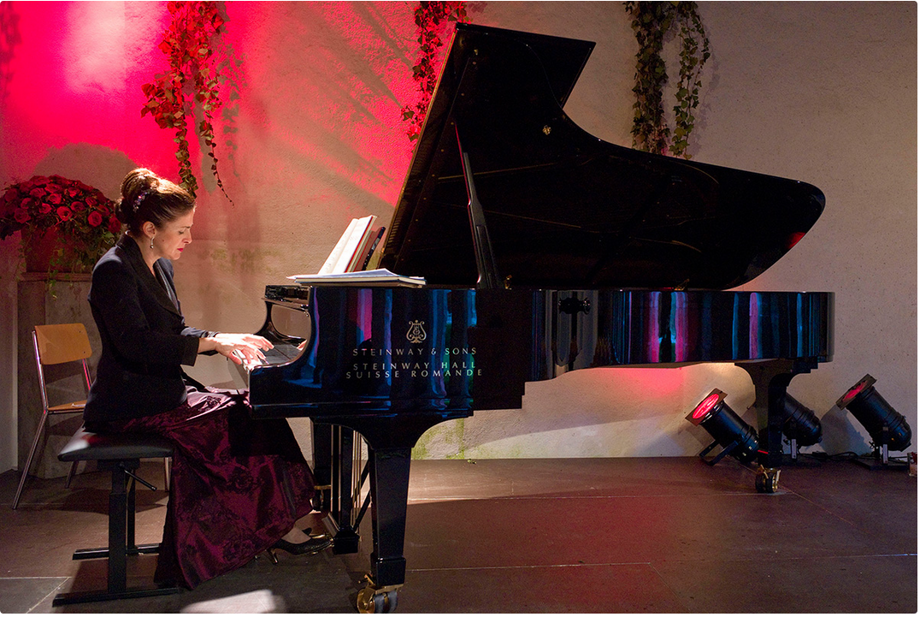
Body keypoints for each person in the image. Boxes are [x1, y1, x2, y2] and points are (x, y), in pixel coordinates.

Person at [83, 168, 328, 590]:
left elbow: (172, 331)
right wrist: (211, 345)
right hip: (130, 405)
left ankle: (281, 515)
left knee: (255, 408)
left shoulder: (158, 265)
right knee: (241, 420)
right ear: (149, 228)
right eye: (182, 230)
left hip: (160, 394)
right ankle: (272, 524)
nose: (189, 239)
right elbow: (136, 345)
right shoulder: (115, 270)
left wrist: (219, 337)